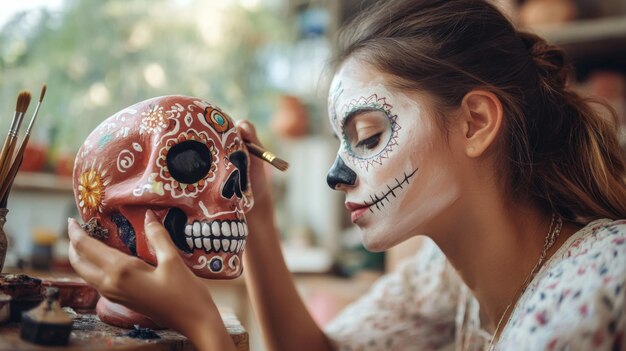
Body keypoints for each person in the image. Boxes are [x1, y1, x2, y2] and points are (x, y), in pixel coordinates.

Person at [67, 0, 626, 350]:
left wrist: (202, 322)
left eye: (368, 137)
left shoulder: (597, 290)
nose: (337, 174)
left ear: (476, 123)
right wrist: (256, 212)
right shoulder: (445, 271)